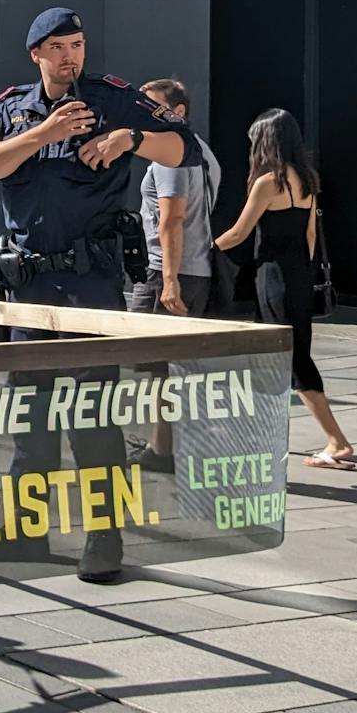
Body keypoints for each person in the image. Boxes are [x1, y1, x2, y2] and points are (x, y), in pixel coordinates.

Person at [0, 8, 200, 583]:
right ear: (36, 55)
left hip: (91, 283)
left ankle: (105, 538)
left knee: (93, 418)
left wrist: (132, 138)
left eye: (78, 44)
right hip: (29, 287)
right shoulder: (11, 108)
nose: (71, 55)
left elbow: (186, 149)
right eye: (58, 47)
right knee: (32, 416)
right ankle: (25, 531)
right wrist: (41, 135)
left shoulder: (114, 98)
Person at [215, 108, 353, 470]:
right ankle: (258, 433)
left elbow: (240, 232)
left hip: (273, 276)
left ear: (265, 142)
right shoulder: (306, 178)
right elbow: (309, 235)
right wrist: (302, 275)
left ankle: (337, 441)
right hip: (298, 276)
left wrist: (204, 248)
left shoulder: (267, 183)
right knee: (278, 356)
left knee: (290, 358)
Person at [126, 77, 222, 473]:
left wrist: (167, 279)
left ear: (177, 112)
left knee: (146, 363)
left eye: (152, 107)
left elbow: (172, 219)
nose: (144, 115)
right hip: (193, 269)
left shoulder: (171, 156)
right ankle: (161, 446)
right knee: (171, 367)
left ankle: (162, 448)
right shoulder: (203, 152)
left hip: (168, 271)